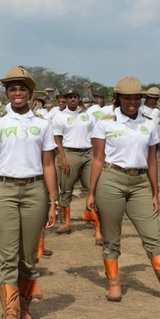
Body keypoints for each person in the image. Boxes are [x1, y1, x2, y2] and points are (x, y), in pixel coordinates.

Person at [86, 76, 160, 303]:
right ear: (118, 98)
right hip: (111, 180)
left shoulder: (148, 123)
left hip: (140, 182)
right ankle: (113, 283)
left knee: (152, 234)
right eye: (127, 97)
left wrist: (155, 192)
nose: (132, 102)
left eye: (136, 97)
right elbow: (97, 158)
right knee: (111, 236)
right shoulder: (105, 122)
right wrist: (92, 192)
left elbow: (152, 159)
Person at [0, 66, 58, 319]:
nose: (18, 93)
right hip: (4, 190)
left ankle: (24, 306)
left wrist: (53, 201)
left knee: (28, 257)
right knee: (7, 256)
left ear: (30, 93)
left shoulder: (43, 123)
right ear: (6, 93)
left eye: (22, 88)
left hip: (35, 190)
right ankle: (11, 316)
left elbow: (49, 164)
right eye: (13, 88)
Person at [52, 89, 102, 244]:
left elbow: (96, 134)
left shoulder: (88, 115)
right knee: (66, 189)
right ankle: (66, 223)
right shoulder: (60, 116)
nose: (72, 99)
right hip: (70, 152)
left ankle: (98, 229)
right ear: (66, 100)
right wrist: (63, 159)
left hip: (87, 153)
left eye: (75, 97)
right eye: (70, 97)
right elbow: (57, 139)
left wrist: (96, 154)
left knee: (95, 188)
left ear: (79, 99)